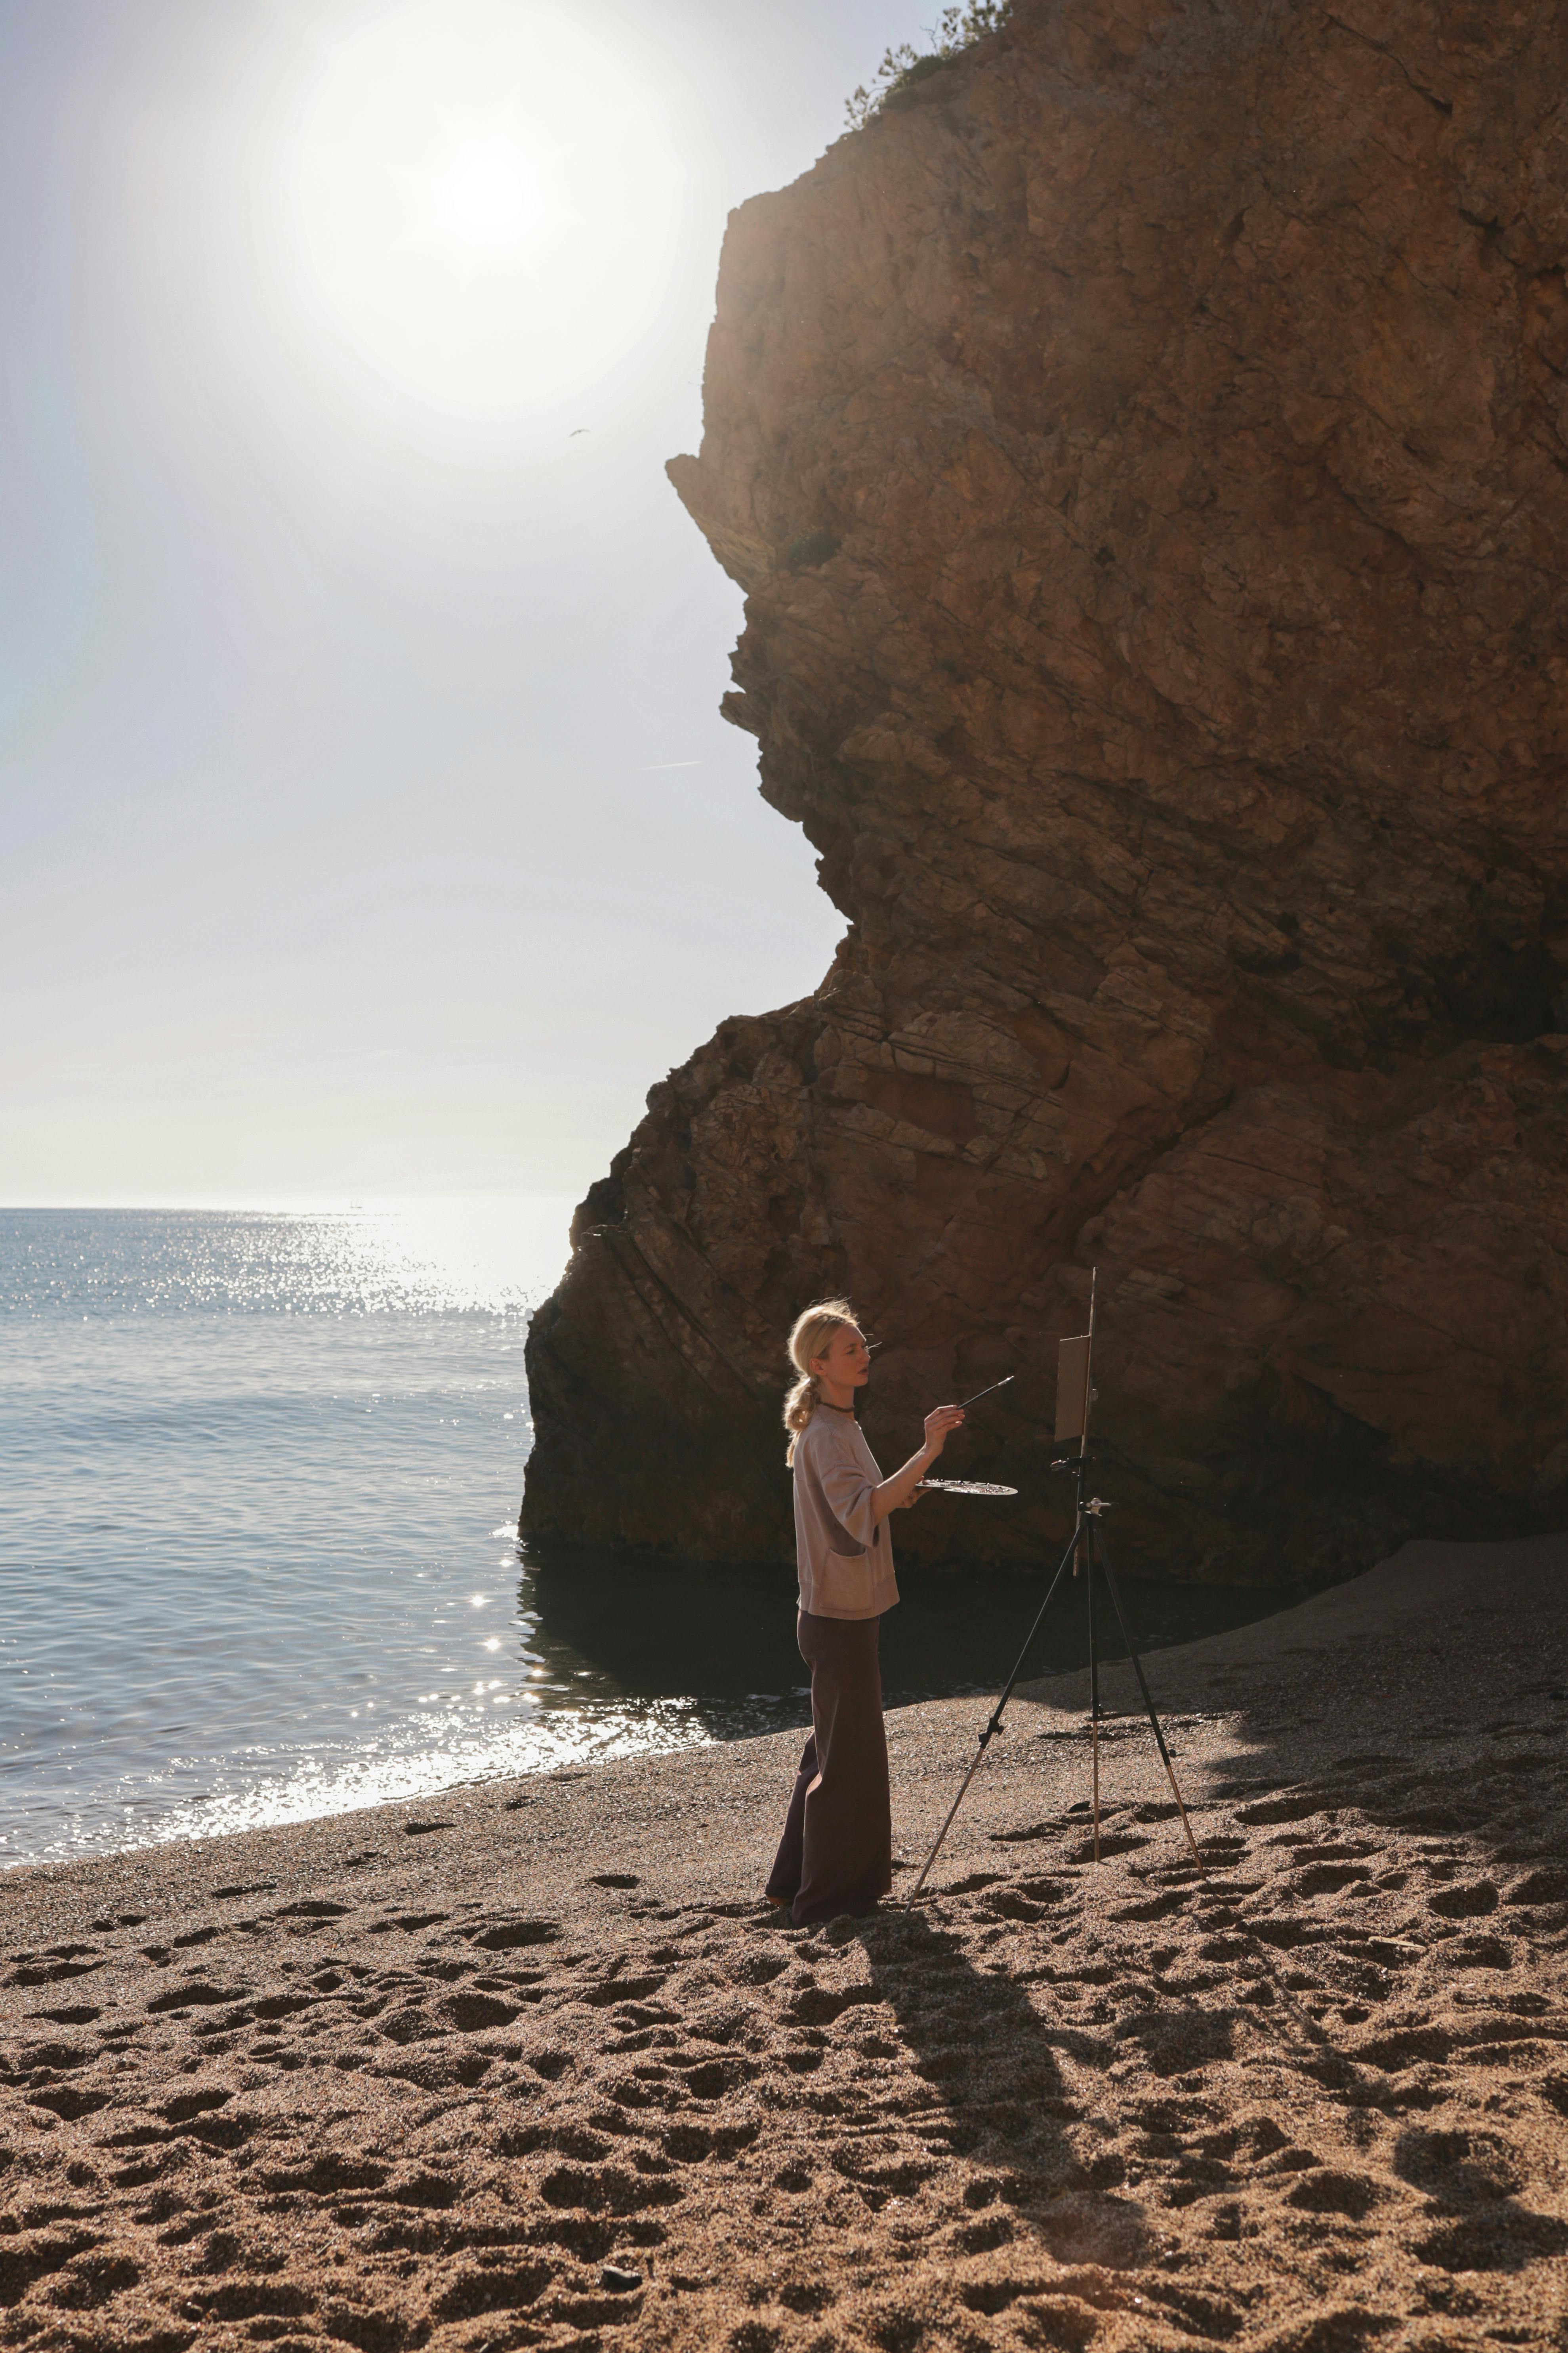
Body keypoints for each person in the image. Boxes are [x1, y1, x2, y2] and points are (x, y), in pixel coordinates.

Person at [765, 1299, 965, 1925]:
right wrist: (927, 1451)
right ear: (819, 1363)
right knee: (846, 1760)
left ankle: (791, 1885)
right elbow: (860, 1510)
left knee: (830, 1750)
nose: (863, 1354)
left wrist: (903, 1492)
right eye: (849, 1349)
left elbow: (856, 1507)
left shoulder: (835, 1424)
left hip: (837, 1611)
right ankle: (825, 1903)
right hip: (839, 1616)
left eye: (862, 1344)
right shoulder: (826, 1434)